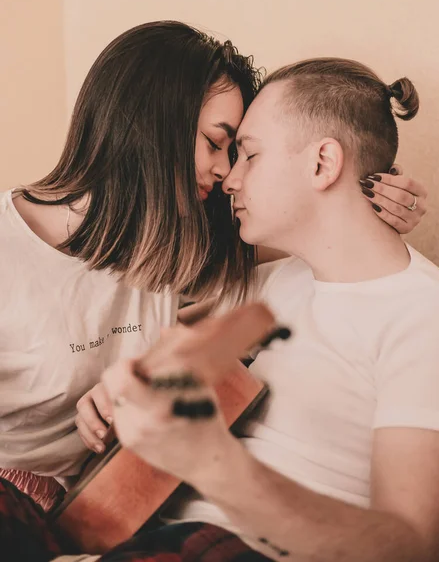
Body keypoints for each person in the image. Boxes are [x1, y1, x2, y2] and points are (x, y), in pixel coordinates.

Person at [0, 21, 422, 512]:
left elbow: (317, 230)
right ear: (148, 125)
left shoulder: (179, 244)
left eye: (241, 153)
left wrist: (373, 199)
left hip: (105, 503)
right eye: (215, 144)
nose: (226, 173)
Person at [96, 58, 439, 561]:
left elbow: (412, 546)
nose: (230, 180)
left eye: (249, 156)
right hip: (140, 532)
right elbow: (164, 335)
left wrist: (214, 462)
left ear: (322, 163)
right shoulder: (278, 283)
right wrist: (116, 397)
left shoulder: (421, 314)